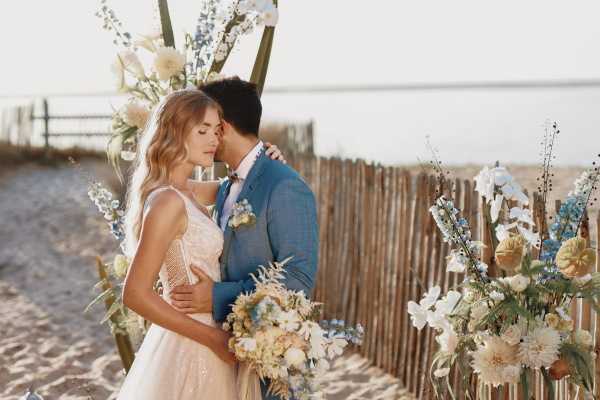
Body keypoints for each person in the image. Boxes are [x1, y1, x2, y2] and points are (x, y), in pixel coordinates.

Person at [116, 89, 284, 400]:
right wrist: (211, 338)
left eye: (216, 130)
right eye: (202, 130)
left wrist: (268, 160)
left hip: (211, 333)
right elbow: (135, 294)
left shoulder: (186, 192)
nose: (214, 140)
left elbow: (237, 185)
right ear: (176, 133)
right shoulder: (167, 201)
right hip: (192, 339)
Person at [171, 77, 319, 400]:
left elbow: (298, 281)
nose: (200, 133)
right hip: (227, 358)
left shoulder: (285, 186)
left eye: (203, 124)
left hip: (271, 370)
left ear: (221, 126)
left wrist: (215, 296)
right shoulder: (226, 186)